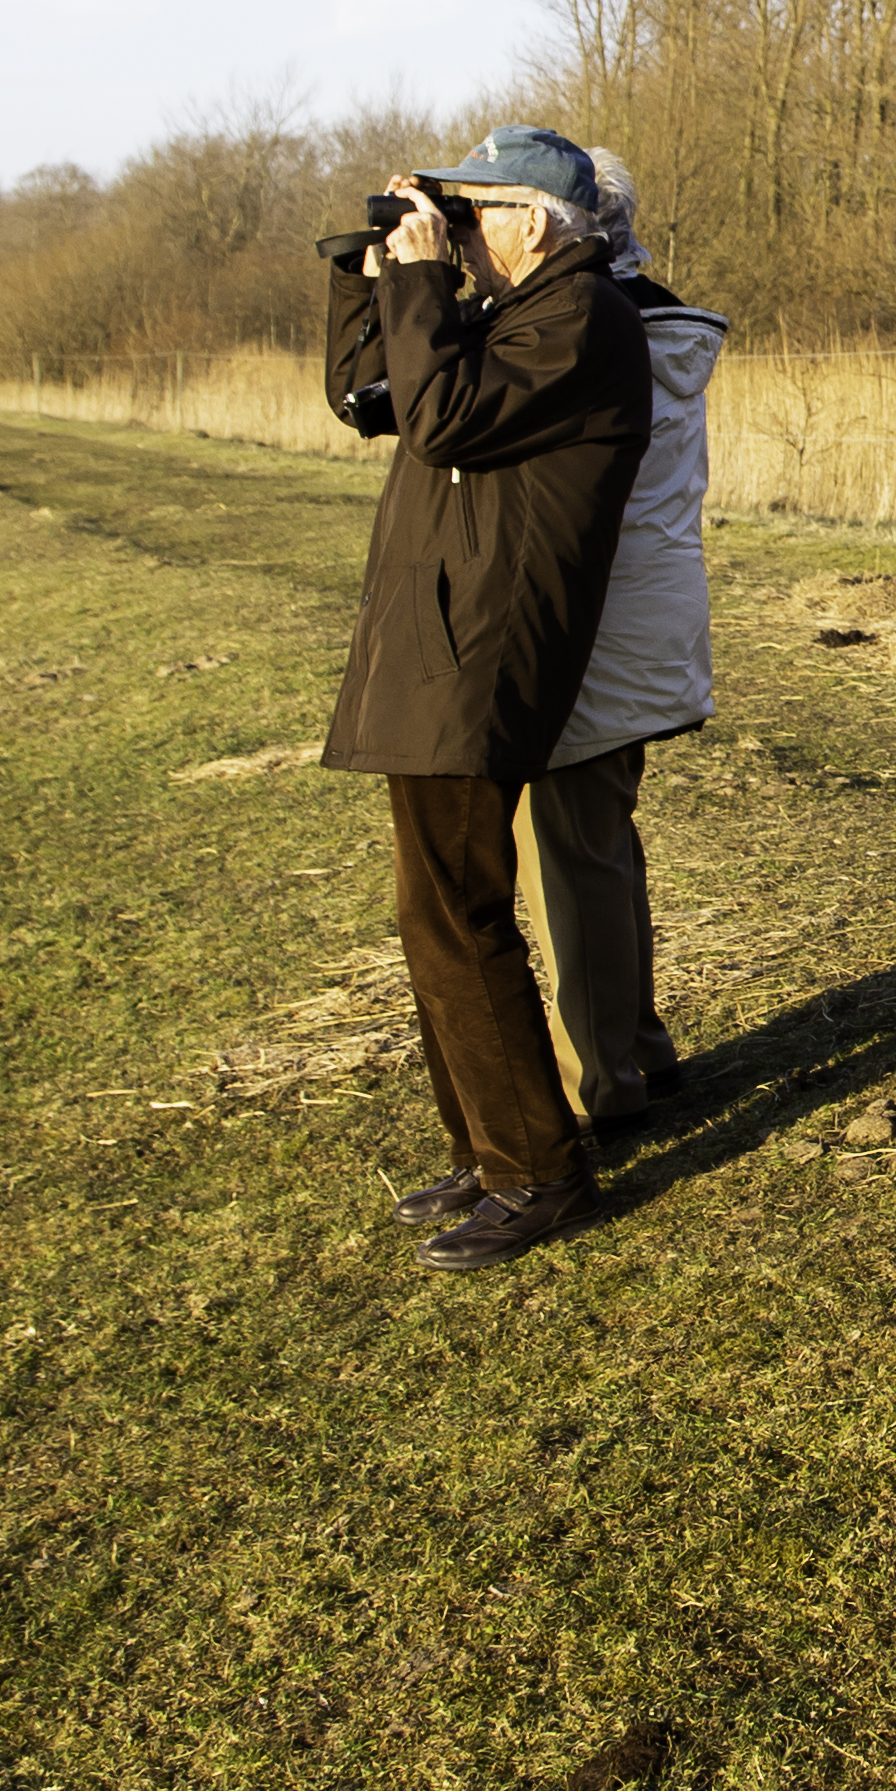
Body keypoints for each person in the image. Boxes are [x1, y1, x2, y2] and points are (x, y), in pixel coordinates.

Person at [316, 126, 648, 1268]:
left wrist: (422, 281)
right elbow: (372, 397)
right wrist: (378, 281)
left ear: (535, 221)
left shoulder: (581, 318)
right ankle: (490, 1142)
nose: (457, 235)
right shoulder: (509, 315)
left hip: (488, 652)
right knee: (432, 910)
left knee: (460, 908)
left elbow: (448, 416)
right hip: (438, 643)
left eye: (474, 213)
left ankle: (538, 1170)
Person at [511, 143, 725, 1127]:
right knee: (599, 843)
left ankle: (596, 1089)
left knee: (567, 857)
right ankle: (637, 1047)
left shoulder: (588, 332)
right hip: (646, 618)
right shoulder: (653, 317)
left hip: (593, 622)